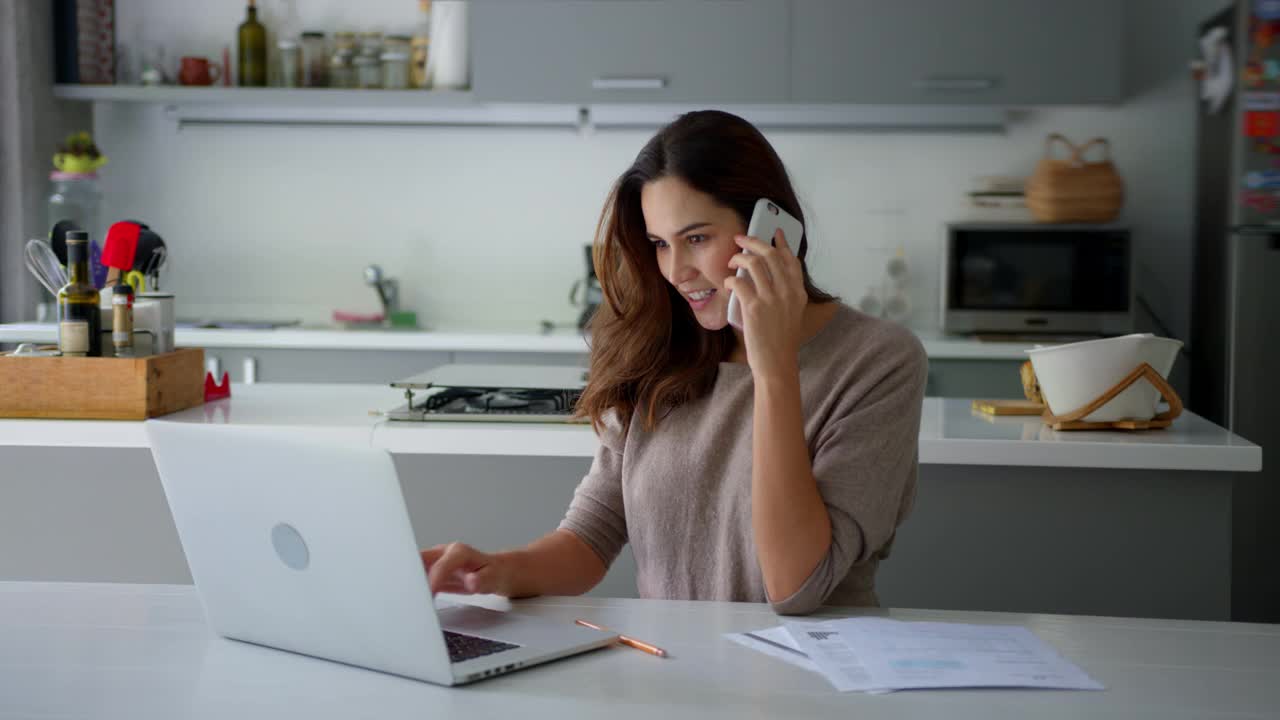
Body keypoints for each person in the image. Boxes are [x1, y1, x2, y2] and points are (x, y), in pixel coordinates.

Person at [422, 110, 927, 615]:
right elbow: (590, 537)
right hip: (674, 668)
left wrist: (772, 366)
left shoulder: (878, 360)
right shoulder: (654, 348)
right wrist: (496, 571)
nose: (677, 271)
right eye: (660, 244)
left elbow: (795, 586)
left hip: (817, 670)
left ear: (773, 232)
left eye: (698, 238)